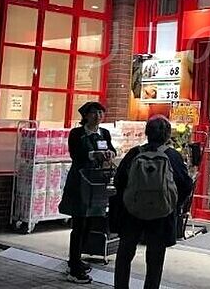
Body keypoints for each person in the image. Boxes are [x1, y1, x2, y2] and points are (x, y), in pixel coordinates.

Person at [113, 115, 192, 289]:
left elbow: (119, 180)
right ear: (167, 134)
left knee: (125, 253)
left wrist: (129, 197)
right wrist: (173, 203)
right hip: (161, 213)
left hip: (132, 212)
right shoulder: (172, 155)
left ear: (147, 133)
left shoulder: (135, 153)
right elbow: (186, 184)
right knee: (155, 258)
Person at [59, 101, 116, 284]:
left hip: (97, 182)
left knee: (91, 222)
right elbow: (75, 154)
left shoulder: (104, 133)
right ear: (85, 116)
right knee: (79, 223)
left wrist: (110, 154)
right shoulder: (77, 133)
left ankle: (76, 259)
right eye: (93, 113)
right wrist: (93, 155)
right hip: (80, 182)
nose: (98, 116)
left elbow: (111, 149)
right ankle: (74, 266)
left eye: (100, 113)